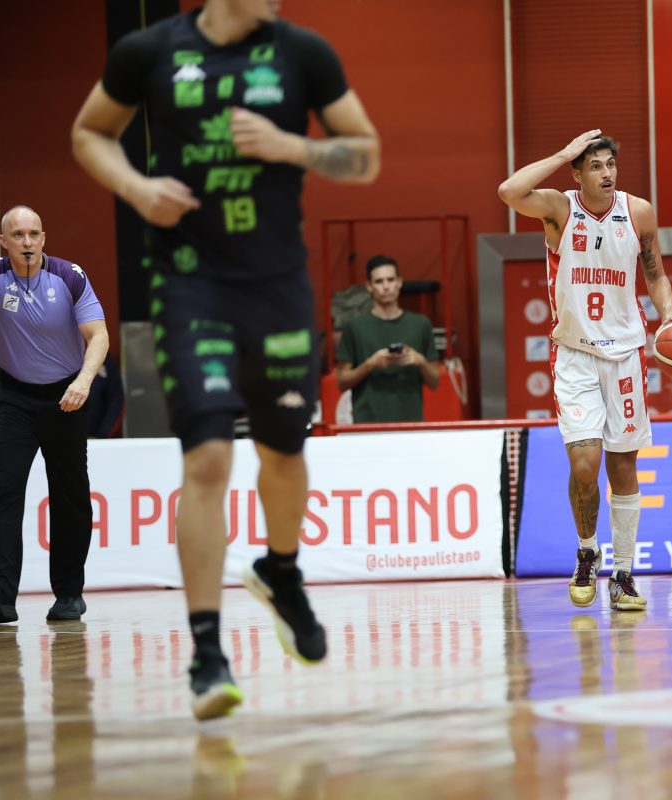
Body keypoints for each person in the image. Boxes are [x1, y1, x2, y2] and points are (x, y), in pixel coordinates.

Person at [72, 0, 381, 719]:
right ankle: (207, 654)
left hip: (277, 287)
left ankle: (281, 570)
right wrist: (136, 188)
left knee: (284, 452)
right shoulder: (150, 50)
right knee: (207, 457)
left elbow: (365, 154)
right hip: (190, 284)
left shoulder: (303, 51)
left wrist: (293, 146)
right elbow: (89, 132)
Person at [498, 131, 672, 613]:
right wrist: (562, 153)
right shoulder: (560, 208)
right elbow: (509, 191)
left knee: (623, 467)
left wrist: (669, 316)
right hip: (575, 354)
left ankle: (623, 574)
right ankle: (586, 552)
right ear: (577, 174)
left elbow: (656, 274)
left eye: (610, 164)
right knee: (584, 466)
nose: (606, 173)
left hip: (625, 354)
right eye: (595, 166)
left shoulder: (637, 211)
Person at [0, 206, 109, 625]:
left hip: (67, 395)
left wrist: (83, 382)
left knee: (70, 494)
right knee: (3, 490)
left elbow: (98, 335)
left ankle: (68, 595)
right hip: (12, 395)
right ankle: (1, 599)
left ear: (44, 238)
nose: (27, 242)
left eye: (34, 234)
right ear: (4, 243)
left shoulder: (69, 277)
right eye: (18, 235)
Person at [334, 254, 440, 423]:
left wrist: (420, 361)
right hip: (367, 425)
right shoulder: (354, 327)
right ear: (369, 286)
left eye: (390, 280)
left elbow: (435, 381)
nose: (386, 286)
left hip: (411, 424)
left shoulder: (421, 324)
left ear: (399, 282)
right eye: (379, 281)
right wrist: (370, 364)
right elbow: (342, 381)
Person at [88, 352, 126, 439]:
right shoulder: (64, 357)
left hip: (98, 438)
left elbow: (117, 401)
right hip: (67, 436)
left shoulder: (104, 358)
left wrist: (102, 435)